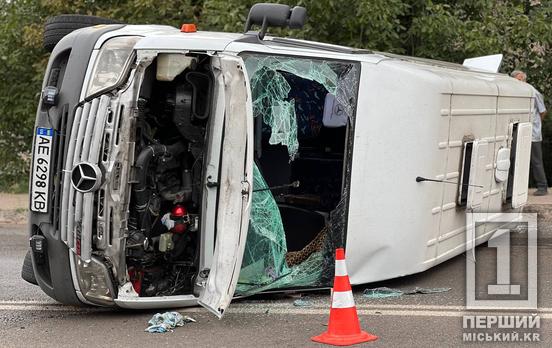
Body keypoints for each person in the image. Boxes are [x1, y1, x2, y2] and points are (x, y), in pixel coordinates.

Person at [511, 70, 548, 195]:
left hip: (532, 134)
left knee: (536, 160)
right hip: (519, 131)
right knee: (515, 159)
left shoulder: (533, 91)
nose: (520, 82)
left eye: (522, 79)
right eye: (517, 80)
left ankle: (542, 187)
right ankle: (515, 188)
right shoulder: (514, 92)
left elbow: (543, 111)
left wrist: (536, 125)